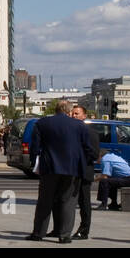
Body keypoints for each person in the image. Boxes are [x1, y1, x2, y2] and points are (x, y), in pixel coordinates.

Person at [27, 99, 95, 243]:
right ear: (69, 111)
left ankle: (38, 233)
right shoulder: (79, 126)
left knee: (45, 201)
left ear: (55, 109)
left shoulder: (42, 123)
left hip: (49, 167)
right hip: (72, 168)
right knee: (69, 201)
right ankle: (64, 235)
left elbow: (34, 147)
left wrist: (34, 162)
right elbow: (88, 148)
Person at [50, 104, 100, 239]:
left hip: (83, 172)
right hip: (67, 172)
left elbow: (94, 154)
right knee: (61, 200)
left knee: (84, 203)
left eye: (77, 113)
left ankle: (84, 230)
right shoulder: (68, 130)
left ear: (84, 116)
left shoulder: (90, 132)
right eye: (72, 113)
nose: (73, 115)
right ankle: (59, 228)